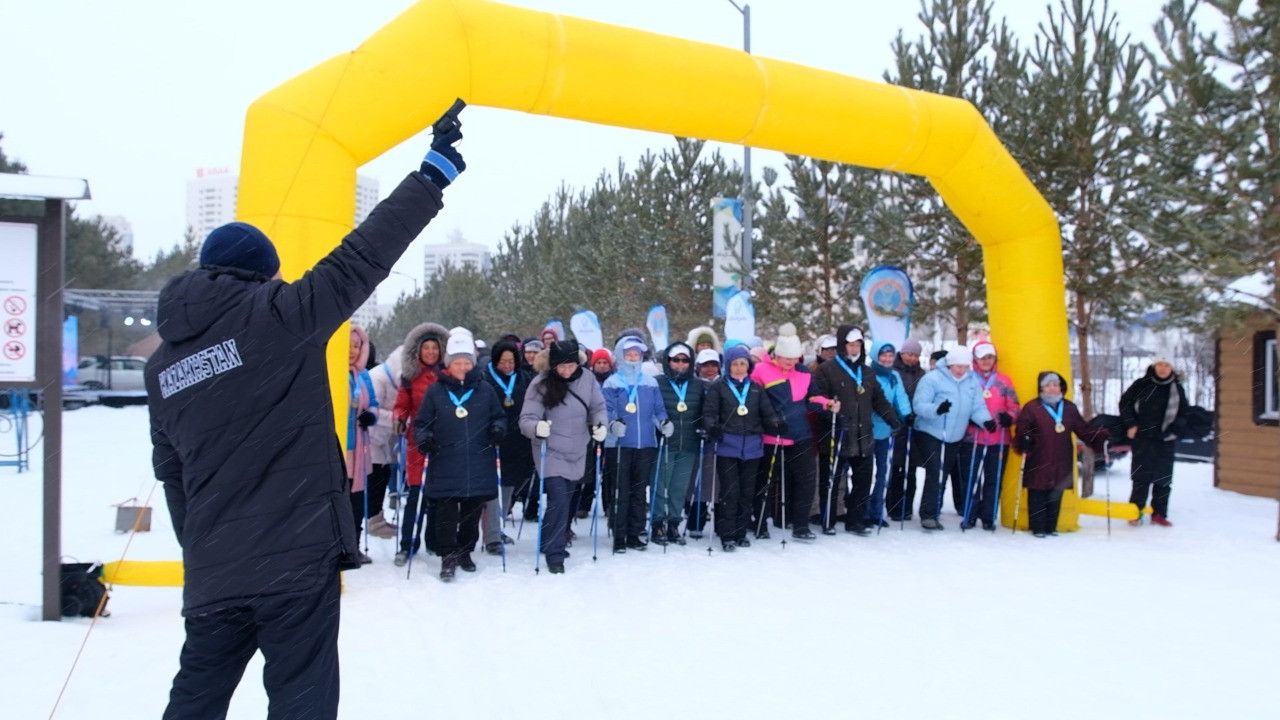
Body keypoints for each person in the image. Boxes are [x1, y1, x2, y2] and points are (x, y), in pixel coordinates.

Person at [146, 109, 465, 719]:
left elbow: (172, 474)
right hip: (293, 562)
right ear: (264, 274)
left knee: (195, 701)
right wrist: (432, 175)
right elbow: (361, 257)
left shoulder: (161, 366)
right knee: (302, 702)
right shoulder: (279, 315)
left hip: (217, 570)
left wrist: (206, 549)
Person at [413, 328, 503, 580]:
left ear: (472, 363)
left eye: (466, 362)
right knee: (446, 514)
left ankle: (465, 551)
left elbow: (499, 417)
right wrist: (425, 439)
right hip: (445, 462)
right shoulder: (435, 391)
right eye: (457, 362)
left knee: (472, 513)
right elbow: (422, 423)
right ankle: (447, 556)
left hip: (478, 460)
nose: (462, 367)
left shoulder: (484, 390)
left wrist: (498, 429)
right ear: (448, 365)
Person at [519, 339, 607, 573]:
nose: (566, 371)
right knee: (558, 499)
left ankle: (548, 539)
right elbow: (526, 419)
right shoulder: (540, 384)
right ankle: (554, 553)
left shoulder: (587, 379)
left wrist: (600, 425)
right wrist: (537, 428)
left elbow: (598, 407)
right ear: (553, 366)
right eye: (561, 367)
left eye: (571, 365)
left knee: (567, 501)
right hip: (551, 450)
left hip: (578, 449)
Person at [811, 327, 902, 535]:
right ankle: (828, 519)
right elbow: (817, 400)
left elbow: (879, 400)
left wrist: (893, 420)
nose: (855, 348)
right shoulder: (827, 370)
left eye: (858, 344)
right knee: (831, 481)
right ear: (843, 346)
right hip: (837, 435)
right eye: (851, 344)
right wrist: (831, 413)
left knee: (862, 481)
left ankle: (856, 520)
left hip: (863, 436)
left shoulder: (867, 372)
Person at [752, 323, 834, 541]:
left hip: (800, 434)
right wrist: (769, 420)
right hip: (773, 436)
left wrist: (827, 404)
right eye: (786, 358)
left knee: (806, 480)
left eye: (795, 358)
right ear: (777, 355)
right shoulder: (761, 370)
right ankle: (760, 522)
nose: (790, 362)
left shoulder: (804, 372)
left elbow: (812, 398)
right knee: (766, 482)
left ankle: (801, 525)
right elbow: (753, 400)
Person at [703, 345, 782, 551]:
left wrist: (776, 422)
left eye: (743, 364)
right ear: (728, 366)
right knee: (730, 492)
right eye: (735, 364)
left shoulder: (756, 388)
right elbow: (709, 413)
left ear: (749, 366)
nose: (739, 368)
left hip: (752, 447)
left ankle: (740, 532)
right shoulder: (718, 387)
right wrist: (712, 427)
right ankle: (727, 534)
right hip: (727, 446)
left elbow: (767, 412)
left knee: (747, 493)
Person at [1015, 371, 1109, 537]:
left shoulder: (1069, 408)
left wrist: (1100, 438)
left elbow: (1083, 429)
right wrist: (1024, 439)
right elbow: (1023, 427)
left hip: (1061, 458)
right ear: (1041, 388)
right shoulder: (1032, 407)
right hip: (1039, 456)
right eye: (1048, 385)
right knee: (1037, 492)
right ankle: (1038, 528)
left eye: (1055, 384)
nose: (1052, 388)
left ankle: (1051, 527)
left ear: (1061, 387)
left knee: (1056, 493)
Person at [911, 346, 995, 530]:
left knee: (944, 471)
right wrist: (937, 409)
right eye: (958, 366)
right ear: (949, 364)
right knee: (936, 470)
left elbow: (977, 406)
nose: (961, 370)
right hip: (930, 432)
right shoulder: (932, 379)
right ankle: (928, 514)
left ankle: (934, 508)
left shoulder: (971, 381)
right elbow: (919, 405)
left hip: (954, 435)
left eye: (965, 367)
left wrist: (986, 420)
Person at [602, 335, 670, 552]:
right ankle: (619, 535)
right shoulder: (612, 382)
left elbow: (658, 409)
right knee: (621, 490)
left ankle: (635, 532)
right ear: (621, 356)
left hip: (645, 443)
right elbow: (607, 410)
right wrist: (612, 424)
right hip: (620, 444)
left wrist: (663, 422)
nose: (633, 357)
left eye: (637, 354)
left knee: (640, 491)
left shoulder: (650, 382)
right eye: (629, 353)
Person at [392, 321, 449, 565]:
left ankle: (434, 541)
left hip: (443, 441)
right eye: (426, 348)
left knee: (437, 494)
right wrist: (399, 420)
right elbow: (401, 405)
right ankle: (408, 544)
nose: (430, 353)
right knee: (417, 494)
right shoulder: (410, 377)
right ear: (418, 351)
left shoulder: (446, 376)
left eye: (434, 348)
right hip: (417, 442)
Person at [1118, 357, 1188, 527]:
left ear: (1171, 368)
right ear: (1154, 366)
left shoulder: (1176, 388)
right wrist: (1131, 424)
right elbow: (1125, 403)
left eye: (1167, 365)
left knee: (1163, 479)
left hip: (1165, 439)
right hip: (1142, 437)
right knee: (1141, 478)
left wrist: (1173, 431)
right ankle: (1135, 512)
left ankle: (1159, 514)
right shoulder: (1142, 384)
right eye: (1160, 365)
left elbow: (1183, 414)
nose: (1163, 368)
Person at [479, 338, 533, 554]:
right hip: (494, 439)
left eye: (511, 361)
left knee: (509, 486)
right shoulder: (486, 379)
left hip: (518, 442)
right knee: (495, 487)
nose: (508, 365)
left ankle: (497, 526)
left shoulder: (523, 378)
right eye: (503, 361)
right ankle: (492, 536)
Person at [961, 340, 1020, 530]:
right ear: (975, 360)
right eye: (982, 358)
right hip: (973, 437)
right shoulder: (968, 379)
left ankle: (988, 516)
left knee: (993, 478)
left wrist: (1009, 418)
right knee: (972, 477)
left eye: (989, 357)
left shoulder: (1004, 381)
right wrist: (968, 418)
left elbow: (1015, 406)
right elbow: (961, 403)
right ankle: (969, 514)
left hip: (998, 439)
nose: (986, 361)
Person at [652, 342, 706, 545]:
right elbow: (653, 410)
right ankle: (658, 524)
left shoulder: (698, 384)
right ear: (668, 361)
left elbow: (703, 411)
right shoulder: (657, 382)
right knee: (660, 485)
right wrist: (660, 424)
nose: (680, 364)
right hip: (666, 442)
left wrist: (704, 427)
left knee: (679, 487)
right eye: (676, 360)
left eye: (685, 360)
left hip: (689, 442)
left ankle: (673, 523)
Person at [867, 341, 912, 529]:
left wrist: (906, 414)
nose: (887, 359)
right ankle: (861, 509)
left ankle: (876, 511)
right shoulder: (868, 373)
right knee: (866, 474)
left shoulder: (894, 376)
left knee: (882, 473)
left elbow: (900, 397)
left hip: (885, 431)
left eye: (890, 355)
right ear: (876, 356)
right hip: (867, 429)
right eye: (883, 355)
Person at [346, 325, 379, 563]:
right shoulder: (330, 370)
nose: (352, 351)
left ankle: (353, 547)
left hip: (358, 448)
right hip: (336, 446)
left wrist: (371, 416)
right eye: (347, 345)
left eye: (356, 346)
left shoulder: (363, 375)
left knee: (355, 500)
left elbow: (374, 404)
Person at [366, 340, 404, 539]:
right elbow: (371, 411)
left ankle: (377, 518)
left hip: (384, 440)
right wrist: (397, 419)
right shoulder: (378, 378)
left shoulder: (396, 382)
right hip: (369, 438)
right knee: (375, 480)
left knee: (382, 477)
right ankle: (373, 520)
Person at [887, 338, 926, 521]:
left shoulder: (922, 374)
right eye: (909, 354)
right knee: (897, 467)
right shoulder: (893, 371)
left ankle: (907, 506)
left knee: (911, 469)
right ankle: (893, 506)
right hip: (896, 424)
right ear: (902, 353)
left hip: (915, 425)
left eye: (916, 355)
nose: (912, 358)